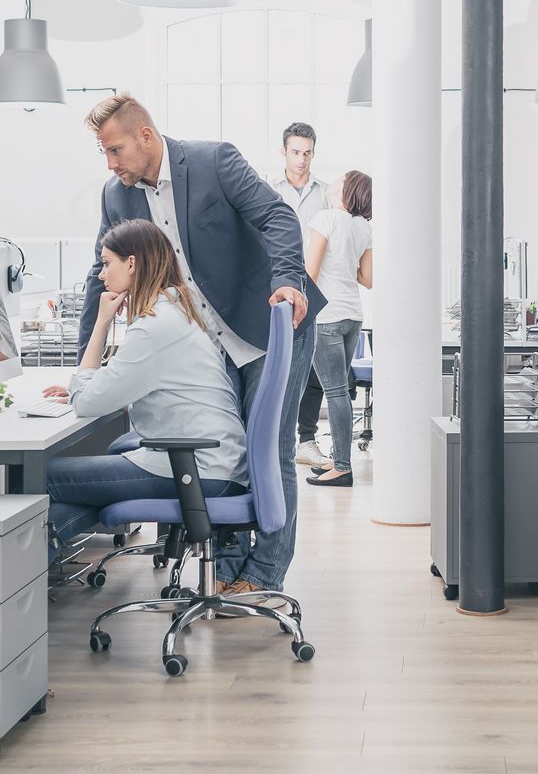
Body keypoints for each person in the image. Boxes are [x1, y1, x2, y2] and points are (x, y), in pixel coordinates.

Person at [81, 92, 325, 597]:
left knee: (271, 450)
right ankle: (228, 565)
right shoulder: (116, 195)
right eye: (104, 153)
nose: (111, 163)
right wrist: (87, 360)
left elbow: (278, 217)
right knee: (228, 453)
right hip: (207, 345)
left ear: (145, 136)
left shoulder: (214, 161)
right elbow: (98, 276)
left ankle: (264, 572)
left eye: (115, 149)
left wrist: (289, 280)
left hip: (268, 325)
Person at [43, 219, 247, 554]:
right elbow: (132, 386)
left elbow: (87, 403)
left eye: (107, 263)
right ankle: (43, 555)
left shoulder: (155, 326)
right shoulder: (178, 309)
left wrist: (101, 321)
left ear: (132, 263)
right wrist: (95, 387)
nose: (100, 275)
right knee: (90, 476)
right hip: (214, 462)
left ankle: (33, 564)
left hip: (198, 470)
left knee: (42, 476)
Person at [267, 123, 334, 470]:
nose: (301, 159)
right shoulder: (268, 189)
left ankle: (306, 439)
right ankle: (274, 437)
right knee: (275, 363)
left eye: (307, 152)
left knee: (312, 369)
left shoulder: (325, 194)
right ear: (284, 151)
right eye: (295, 151)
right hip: (280, 288)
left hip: (318, 290)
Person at [302, 171, 374, 488]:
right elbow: (367, 278)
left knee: (335, 393)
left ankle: (342, 467)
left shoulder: (325, 218)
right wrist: (344, 263)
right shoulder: (363, 227)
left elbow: (310, 274)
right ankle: (337, 460)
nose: (335, 180)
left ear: (347, 190)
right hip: (352, 316)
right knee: (339, 392)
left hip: (327, 317)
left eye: (342, 179)